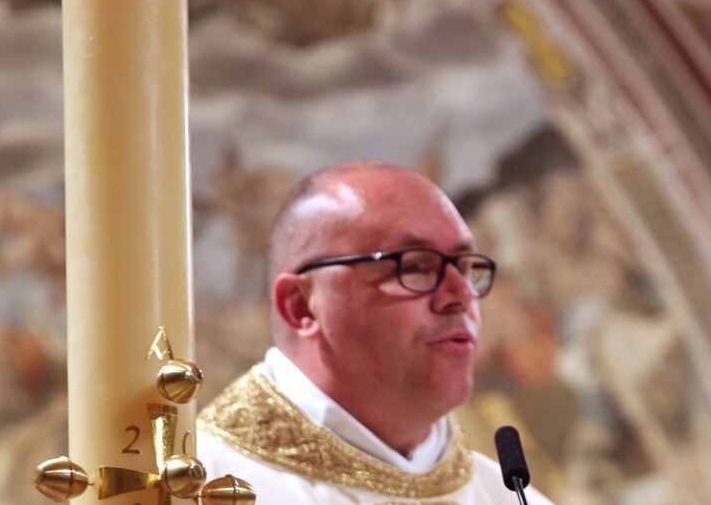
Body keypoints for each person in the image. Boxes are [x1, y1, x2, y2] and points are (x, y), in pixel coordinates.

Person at [196, 161, 554, 504]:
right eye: (415, 266)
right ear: (301, 306)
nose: (461, 294)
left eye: (464, 267)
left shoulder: (511, 496)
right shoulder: (198, 485)